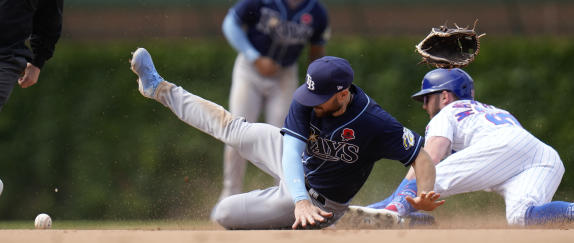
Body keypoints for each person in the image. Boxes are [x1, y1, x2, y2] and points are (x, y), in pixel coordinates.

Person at [130, 47, 444, 229]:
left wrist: (425, 192)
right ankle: (159, 89)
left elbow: (420, 155)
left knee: (224, 214)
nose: (311, 102)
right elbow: (291, 154)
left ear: (343, 95)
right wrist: (299, 200)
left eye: (320, 97)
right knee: (231, 127)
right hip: (298, 177)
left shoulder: (373, 122)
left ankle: (353, 222)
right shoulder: (307, 100)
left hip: (323, 201)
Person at [355, 68, 574, 228]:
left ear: (444, 97)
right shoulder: (490, 111)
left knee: (425, 174)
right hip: (543, 155)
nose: (425, 106)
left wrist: (393, 202)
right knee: (523, 217)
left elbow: (430, 159)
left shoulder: (447, 114)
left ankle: (389, 213)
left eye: (426, 99)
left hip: (505, 149)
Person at [219, 0, 330, 201]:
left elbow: (317, 52)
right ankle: (230, 194)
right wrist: (253, 55)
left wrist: (315, 91)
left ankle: (285, 197)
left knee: (285, 137)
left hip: (284, 75)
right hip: (250, 69)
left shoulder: (316, 12)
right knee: (236, 130)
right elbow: (230, 23)